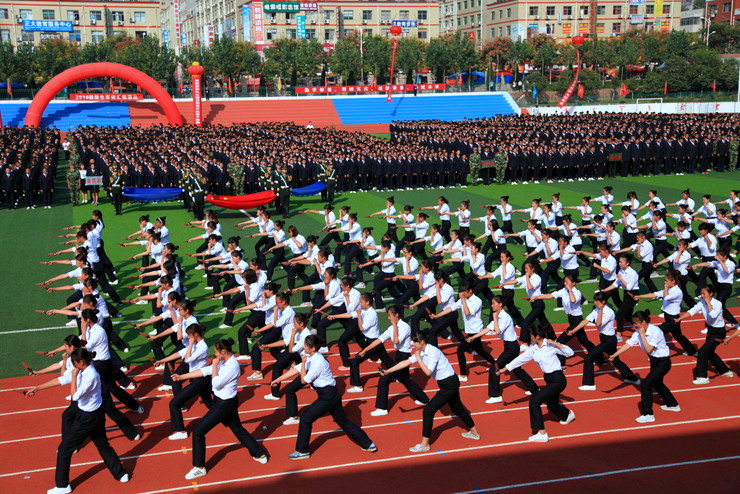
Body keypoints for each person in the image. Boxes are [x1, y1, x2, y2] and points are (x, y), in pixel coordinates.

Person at [174, 338, 268, 480]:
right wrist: (182, 376)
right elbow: (205, 371)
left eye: (216, 352)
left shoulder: (232, 367)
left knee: (198, 432)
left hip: (224, 404)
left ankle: (199, 467)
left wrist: (214, 365)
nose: (215, 355)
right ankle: (259, 453)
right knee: (238, 429)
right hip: (224, 401)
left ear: (223, 351)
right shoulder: (223, 361)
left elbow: (216, 383)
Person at [271, 334, 377, 459]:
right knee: (343, 421)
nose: (303, 347)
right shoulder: (311, 357)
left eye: (305, 346)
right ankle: (368, 444)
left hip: (328, 396)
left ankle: (303, 451)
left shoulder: (318, 361)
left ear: (312, 348)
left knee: (305, 419)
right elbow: (296, 370)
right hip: (330, 393)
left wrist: (303, 363)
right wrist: (278, 379)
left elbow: (304, 380)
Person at [42, 348, 129, 494]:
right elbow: (63, 378)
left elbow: (75, 396)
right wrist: (37, 388)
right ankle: (120, 473)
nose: (73, 366)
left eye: (74, 363)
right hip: (97, 414)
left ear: (81, 362)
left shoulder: (90, 375)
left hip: (88, 417)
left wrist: (74, 376)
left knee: (64, 449)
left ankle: (63, 485)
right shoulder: (87, 369)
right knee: (102, 444)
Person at [380, 330, 480, 453]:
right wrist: (388, 371)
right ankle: (474, 432)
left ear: (422, 342)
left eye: (415, 342)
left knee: (428, 410)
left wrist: (418, 358)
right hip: (446, 383)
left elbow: (428, 372)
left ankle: (425, 444)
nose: (413, 344)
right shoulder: (421, 351)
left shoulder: (433, 352)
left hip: (450, 384)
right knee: (457, 408)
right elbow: (405, 362)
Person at [496, 324, 576, 442]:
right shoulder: (533, 348)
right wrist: (505, 369)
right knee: (552, 406)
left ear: (537, 336)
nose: (530, 337)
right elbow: (520, 359)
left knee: (534, 402)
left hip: (558, 379)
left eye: (531, 335)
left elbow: (570, 353)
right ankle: (567, 415)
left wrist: (556, 343)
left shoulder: (550, 346)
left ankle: (542, 433)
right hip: (548, 379)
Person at [609, 310, 681, 423]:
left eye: (636, 323)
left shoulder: (655, 331)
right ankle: (673, 404)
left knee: (646, 385)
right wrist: (615, 355)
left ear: (643, 322)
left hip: (663, 362)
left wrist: (642, 335)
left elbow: (649, 349)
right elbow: (629, 344)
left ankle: (648, 414)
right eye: (634, 323)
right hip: (654, 361)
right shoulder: (638, 332)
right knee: (657, 383)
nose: (634, 325)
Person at [568, 292, 640, 390]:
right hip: (604, 338)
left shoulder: (609, 312)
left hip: (609, 340)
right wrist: (573, 330)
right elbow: (586, 321)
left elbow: (598, 324)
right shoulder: (596, 310)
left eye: (597, 301)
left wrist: (601, 310)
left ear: (603, 302)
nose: (595, 302)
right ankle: (632, 378)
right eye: (595, 300)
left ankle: (589, 384)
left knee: (589, 358)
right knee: (615, 360)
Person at [156, 324, 213, 440]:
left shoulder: (202, 347)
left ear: (195, 335)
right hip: (199, 378)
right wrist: (162, 360)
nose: (188, 338)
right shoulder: (196, 345)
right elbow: (179, 354)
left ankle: (180, 431)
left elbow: (187, 360)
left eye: (189, 336)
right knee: (209, 402)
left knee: (174, 403)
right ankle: (228, 419)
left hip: (199, 380)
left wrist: (190, 344)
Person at [675, 285, 735, 384]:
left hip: (719, 332)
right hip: (711, 331)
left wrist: (708, 303)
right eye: (701, 294)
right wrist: (679, 319)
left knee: (703, 352)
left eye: (704, 294)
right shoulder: (701, 303)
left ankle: (702, 377)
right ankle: (724, 371)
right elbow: (692, 311)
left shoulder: (717, 303)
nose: (702, 296)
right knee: (709, 352)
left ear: (711, 294)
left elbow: (713, 315)